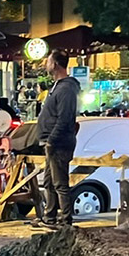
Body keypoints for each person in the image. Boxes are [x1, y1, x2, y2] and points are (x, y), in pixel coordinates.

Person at [34, 50, 81, 228]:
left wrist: (52, 140)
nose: (45, 64)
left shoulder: (66, 89)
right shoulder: (58, 87)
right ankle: (50, 216)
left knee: (60, 182)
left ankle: (65, 219)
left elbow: (64, 118)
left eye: (48, 61)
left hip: (58, 143)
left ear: (55, 64)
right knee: (49, 182)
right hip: (51, 142)